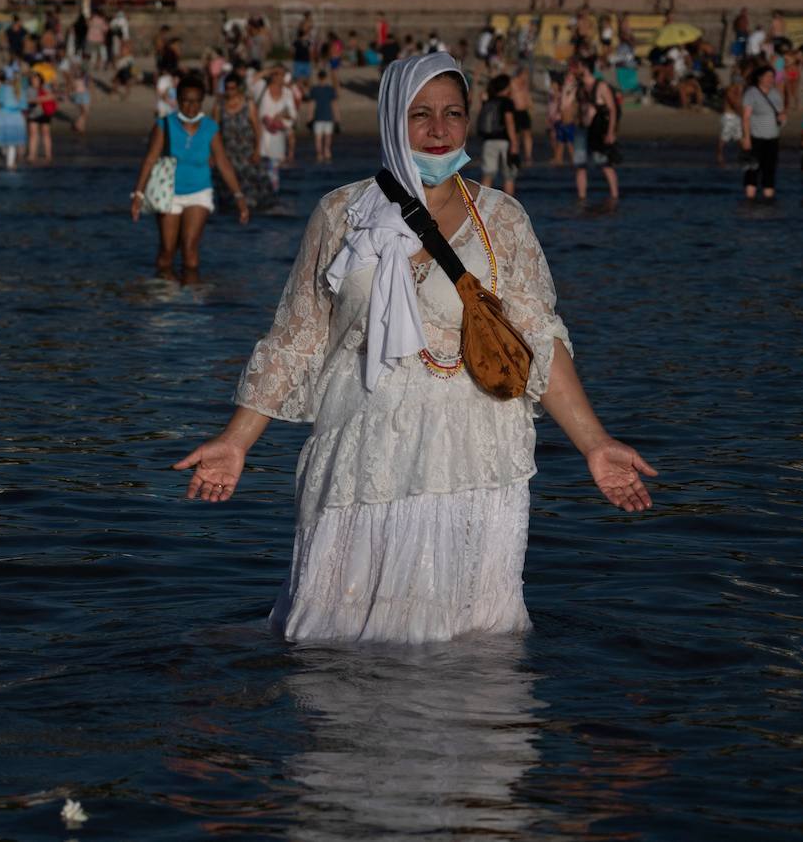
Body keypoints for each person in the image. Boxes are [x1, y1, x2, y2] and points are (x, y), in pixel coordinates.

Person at [171, 52, 655, 644]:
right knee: (339, 637)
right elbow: (297, 336)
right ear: (389, 118)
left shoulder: (500, 219)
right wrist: (234, 441)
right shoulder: (341, 214)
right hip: (362, 445)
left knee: (468, 642)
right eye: (419, 114)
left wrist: (596, 443)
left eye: (453, 113)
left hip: (475, 449)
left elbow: (538, 341)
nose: (438, 130)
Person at [130, 74, 251, 279]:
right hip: (169, 194)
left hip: (199, 192)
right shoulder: (164, 124)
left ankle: (191, 300)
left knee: (190, 249)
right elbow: (150, 159)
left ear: (202, 102)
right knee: (167, 250)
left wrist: (239, 197)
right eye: (186, 100)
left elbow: (223, 163)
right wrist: (138, 195)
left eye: (196, 101)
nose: (191, 106)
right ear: (178, 100)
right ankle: (163, 294)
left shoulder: (210, 127)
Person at [213, 73, 277, 214]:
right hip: (228, 154)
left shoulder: (248, 104)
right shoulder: (219, 106)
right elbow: (214, 131)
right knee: (228, 188)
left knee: (253, 187)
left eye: (233, 88)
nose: (230, 91)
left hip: (247, 152)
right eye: (227, 88)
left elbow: (257, 129)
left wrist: (257, 150)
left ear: (238, 88)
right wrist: (213, 154)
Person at [572, 62, 621, 202]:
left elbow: (612, 109)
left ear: (585, 68)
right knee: (580, 166)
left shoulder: (601, 86)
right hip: (582, 130)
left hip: (598, 130)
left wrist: (611, 132)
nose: (575, 70)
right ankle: (581, 198)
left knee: (605, 164)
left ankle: (614, 195)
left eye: (577, 66)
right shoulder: (579, 86)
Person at [741, 64, 785, 201]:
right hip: (756, 137)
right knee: (753, 169)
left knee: (770, 169)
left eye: (773, 76)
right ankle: (750, 199)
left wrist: (782, 119)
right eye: (768, 76)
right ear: (760, 78)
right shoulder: (751, 93)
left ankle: (768, 198)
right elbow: (746, 117)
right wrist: (746, 138)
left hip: (773, 138)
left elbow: (781, 114)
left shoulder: (775, 94)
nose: (771, 79)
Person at [256, 67, 297, 193]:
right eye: (277, 75)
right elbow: (252, 80)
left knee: (273, 172)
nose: (281, 78)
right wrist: (269, 70)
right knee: (260, 169)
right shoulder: (262, 87)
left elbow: (293, 115)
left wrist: (281, 117)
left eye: (282, 75)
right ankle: (261, 193)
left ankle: (273, 194)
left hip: (277, 137)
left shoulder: (287, 93)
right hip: (260, 136)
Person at [478, 74, 519, 197]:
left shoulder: (489, 101)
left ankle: (481, 204)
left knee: (487, 174)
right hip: (504, 141)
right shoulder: (507, 102)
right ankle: (509, 205)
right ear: (506, 88)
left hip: (488, 141)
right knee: (508, 176)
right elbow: (509, 123)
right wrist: (514, 143)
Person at [0, 72, 28, 170]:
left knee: (4, 141)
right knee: (13, 142)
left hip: (3, 115)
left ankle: (8, 160)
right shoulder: (21, 90)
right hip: (16, 117)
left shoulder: (3, 88)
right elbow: (24, 106)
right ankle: (10, 163)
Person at [306, 69, 340, 163]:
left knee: (318, 137)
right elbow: (334, 105)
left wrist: (309, 117)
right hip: (328, 117)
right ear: (325, 77)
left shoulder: (314, 90)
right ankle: (327, 151)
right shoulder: (330, 90)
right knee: (328, 137)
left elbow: (312, 104)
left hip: (318, 117)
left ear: (318, 77)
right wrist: (337, 118)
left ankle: (319, 154)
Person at [25, 71, 57, 165]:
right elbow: (28, 101)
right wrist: (43, 99)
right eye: (33, 79)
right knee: (33, 135)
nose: (34, 81)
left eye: (36, 79)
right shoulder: (28, 89)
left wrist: (39, 100)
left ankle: (48, 155)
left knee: (46, 134)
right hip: (33, 114)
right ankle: (31, 155)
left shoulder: (45, 87)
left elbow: (53, 97)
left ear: (40, 80)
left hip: (45, 113)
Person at [508, 66, 534, 167]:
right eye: (525, 74)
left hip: (524, 111)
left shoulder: (525, 84)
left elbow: (527, 95)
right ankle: (515, 154)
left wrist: (530, 104)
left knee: (527, 134)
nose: (527, 77)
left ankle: (528, 156)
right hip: (515, 112)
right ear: (520, 74)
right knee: (516, 135)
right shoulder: (512, 82)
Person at [717, 72, 743, 167]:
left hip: (736, 116)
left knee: (739, 137)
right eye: (739, 83)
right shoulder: (730, 90)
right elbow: (734, 104)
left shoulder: (737, 90)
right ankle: (719, 156)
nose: (741, 85)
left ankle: (744, 155)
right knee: (724, 138)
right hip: (728, 116)